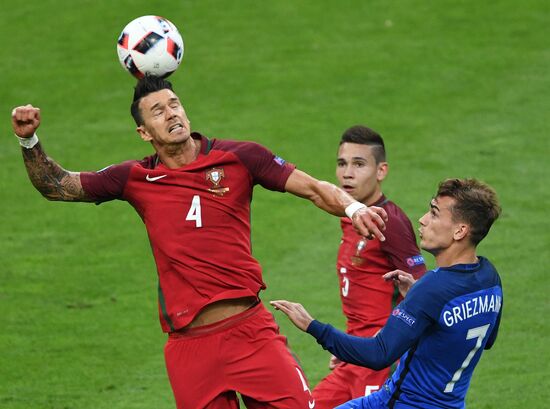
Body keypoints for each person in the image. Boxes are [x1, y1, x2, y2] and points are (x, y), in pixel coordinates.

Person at [11, 75, 388, 409]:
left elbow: (314, 189)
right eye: (157, 111)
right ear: (144, 132)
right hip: (189, 349)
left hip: (250, 333)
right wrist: (28, 141)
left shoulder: (240, 157)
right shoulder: (135, 177)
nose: (171, 114)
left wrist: (353, 208)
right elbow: (58, 185)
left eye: (174, 104)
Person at [272, 178, 503, 409]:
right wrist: (424, 306)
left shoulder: (433, 288)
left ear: (460, 231)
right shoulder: (489, 277)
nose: (422, 220)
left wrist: (312, 326)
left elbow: (379, 354)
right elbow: (485, 339)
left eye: (434, 213)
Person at [312, 126, 426, 408]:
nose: (347, 173)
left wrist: (390, 341)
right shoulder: (352, 216)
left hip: (381, 356)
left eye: (359, 164)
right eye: (342, 163)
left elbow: (422, 294)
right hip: (354, 354)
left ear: (381, 170)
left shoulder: (390, 222)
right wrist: (346, 344)